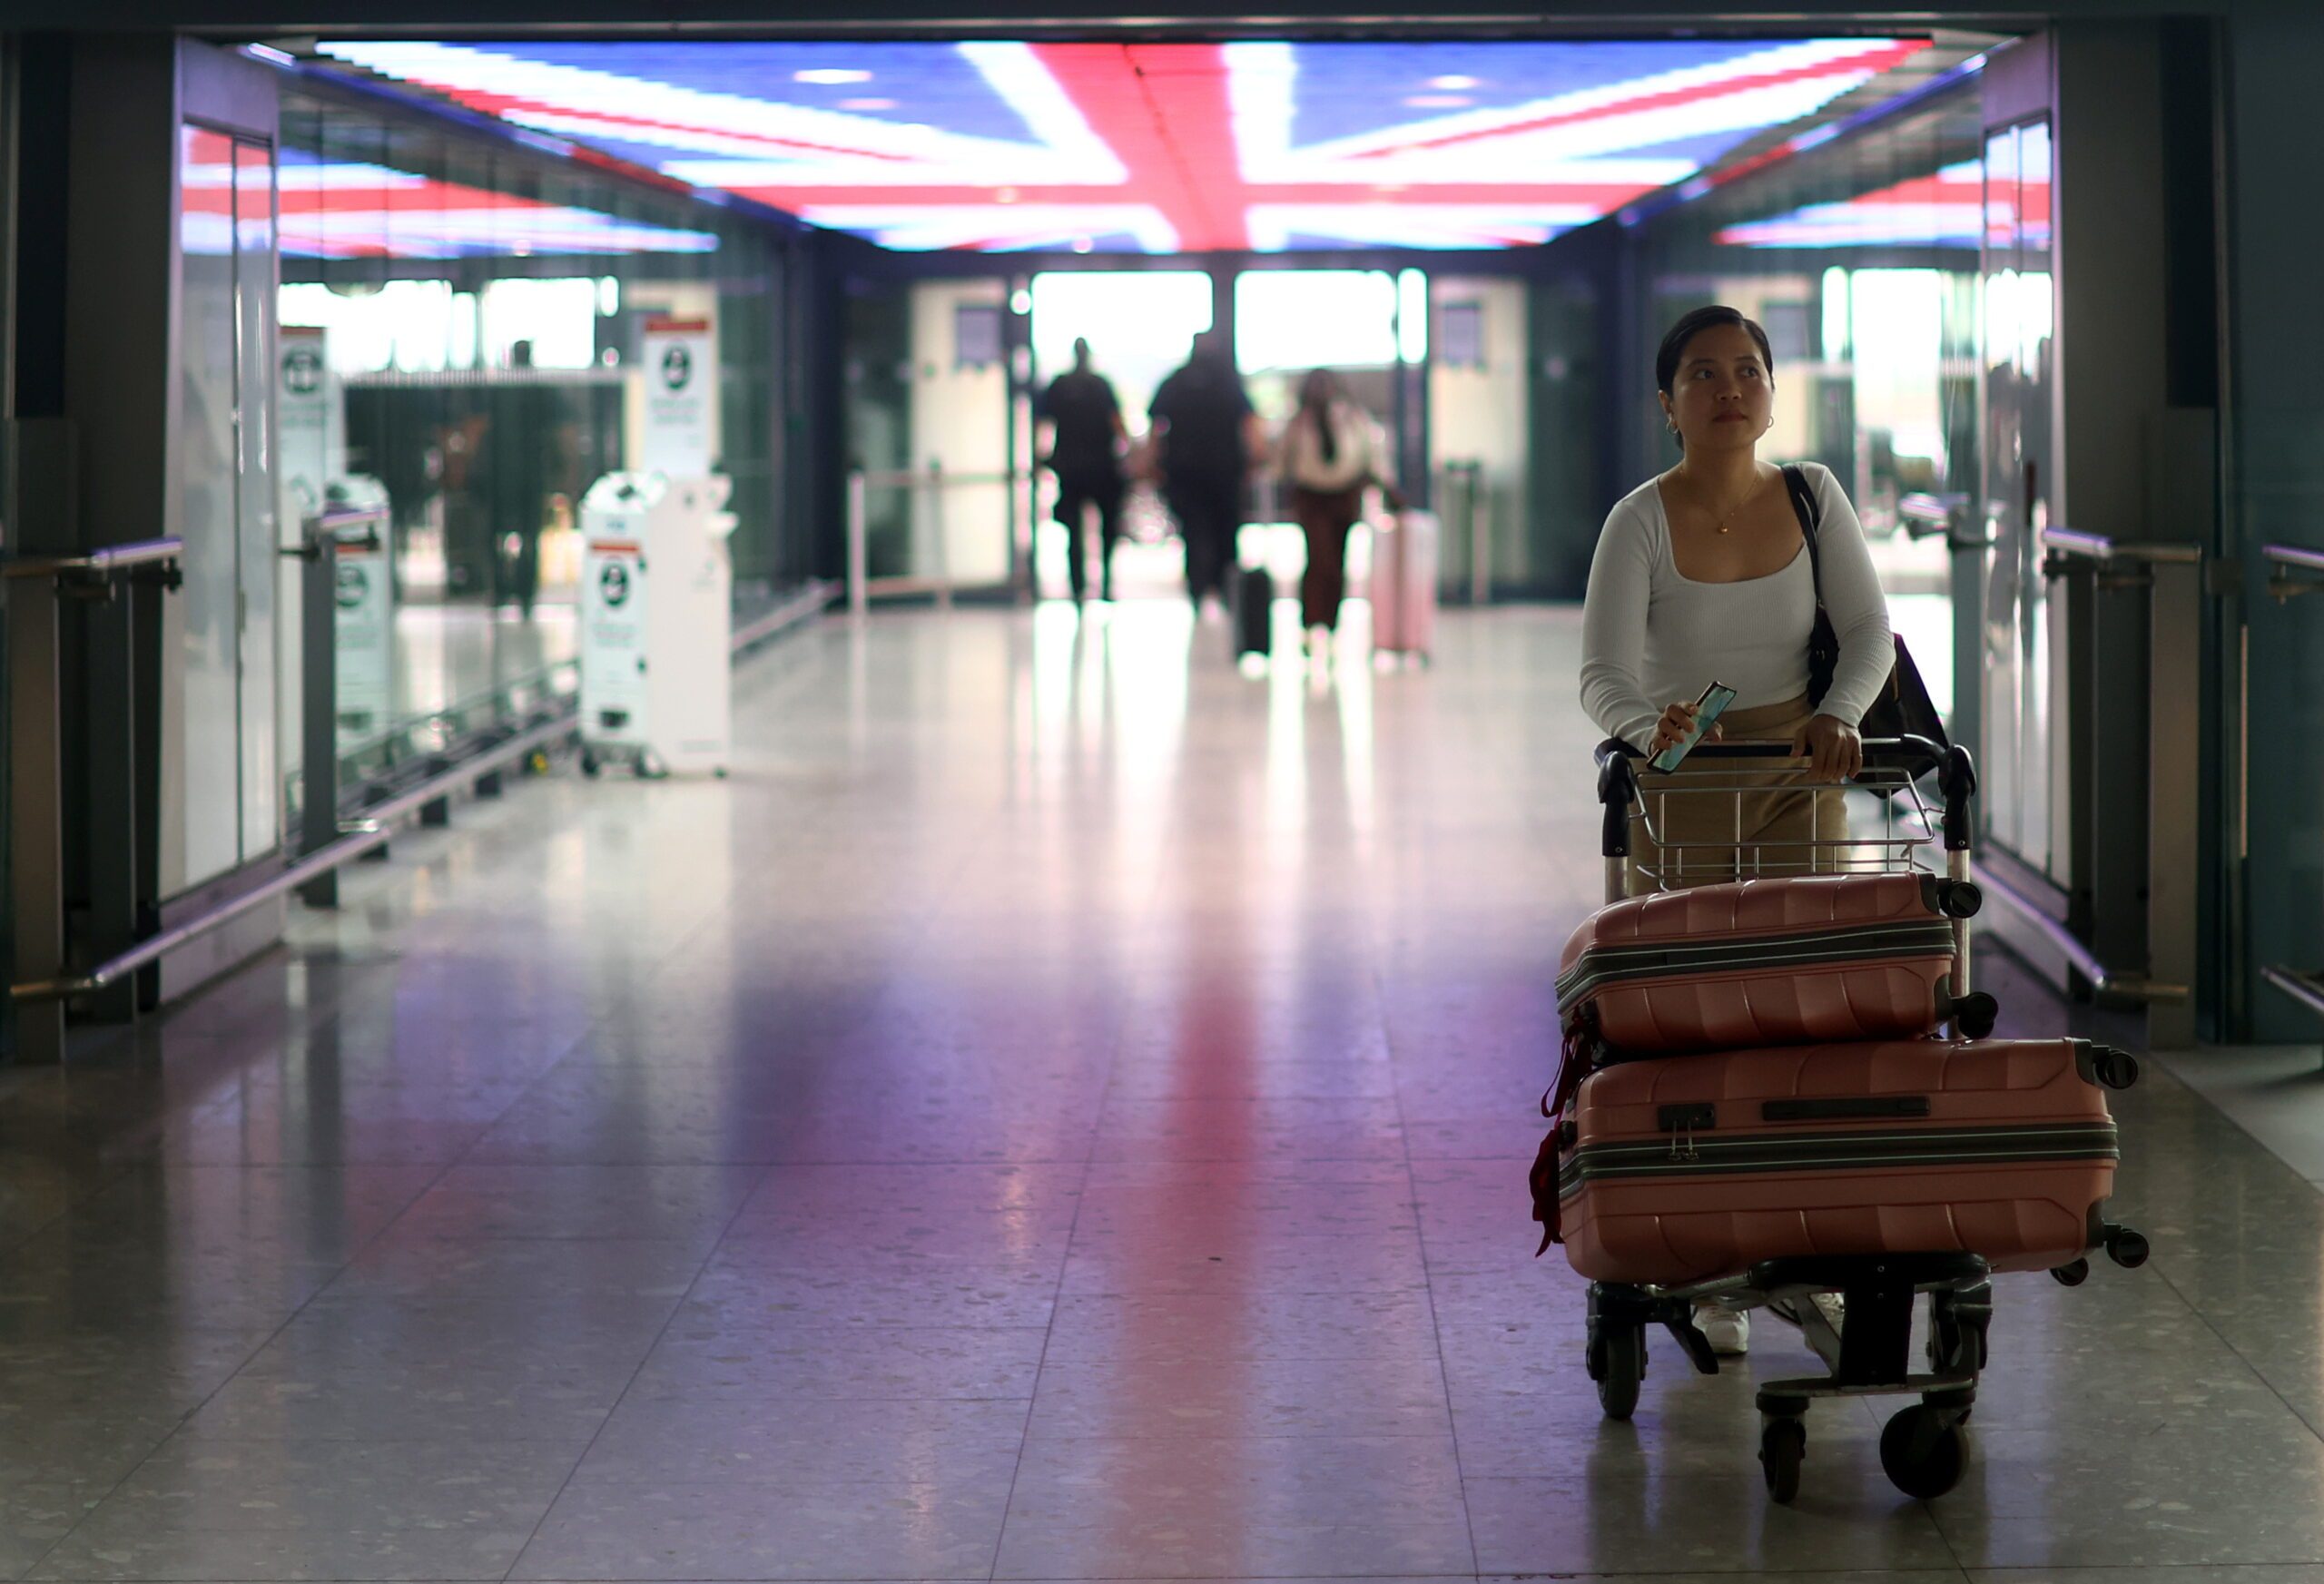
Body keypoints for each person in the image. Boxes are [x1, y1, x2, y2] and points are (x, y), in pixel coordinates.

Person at [1578, 304, 1894, 1357]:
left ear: (1770, 389)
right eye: (1703, 375)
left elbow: (1867, 632)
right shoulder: (1639, 521)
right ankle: (1708, 1260)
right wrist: (1644, 729)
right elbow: (1603, 677)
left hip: (1801, 771)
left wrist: (1840, 715)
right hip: (1682, 783)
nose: (1729, 389)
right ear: (1666, 404)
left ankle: (1806, 1250)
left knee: (1802, 1009)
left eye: (1747, 370)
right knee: (1697, 1015)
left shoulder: (1812, 497)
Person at [1280, 369, 1397, 657]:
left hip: (1344, 495)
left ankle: (1331, 625)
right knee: (1319, 558)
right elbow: (1283, 459)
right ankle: (1310, 623)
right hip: (1312, 496)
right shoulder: (1299, 422)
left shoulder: (1353, 417)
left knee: (1338, 560)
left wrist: (1383, 484)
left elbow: (1371, 453)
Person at [1148, 331, 1259, 613]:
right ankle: (1223, 590)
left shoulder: (1177, 381)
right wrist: (1255, 459)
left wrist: (1153, 463)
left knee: (1193, 531)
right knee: (1224, 531)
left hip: (1187, 471)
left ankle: (1200, 588)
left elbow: (1156, 427)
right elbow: (1249, 423)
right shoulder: (1227, 382)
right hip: (1222, 471)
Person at [1035, 338, 1128, 603]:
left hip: (1071, 467)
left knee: (1074, 531)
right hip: (1100, 467)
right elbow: (1117, 423)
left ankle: (1079, 587)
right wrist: (1128, 456)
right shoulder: (1100, 385)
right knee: (1105, 530)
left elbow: (1043, 425)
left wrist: (1039, 456)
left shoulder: (1060, 386)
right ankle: (1105, 583)